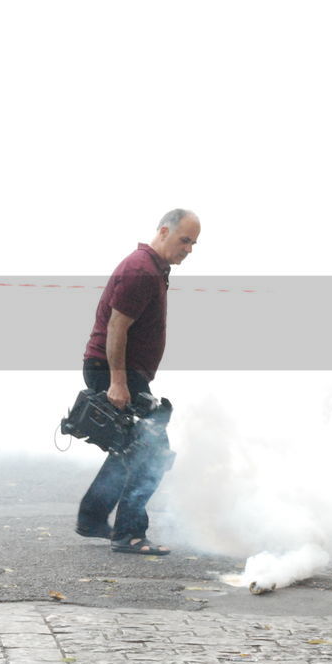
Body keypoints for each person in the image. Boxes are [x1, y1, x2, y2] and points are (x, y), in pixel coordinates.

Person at [75, 208, 200, 554]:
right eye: (184, 240)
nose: (188, 249)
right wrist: (118, 382)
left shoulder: (152, 268)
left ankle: (91, 518)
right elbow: (117, 327)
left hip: (122, 371)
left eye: (193, 243)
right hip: (116, 371)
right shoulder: (142, 271)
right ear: (163, 232)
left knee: (128, 448)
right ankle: (129, 533)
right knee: (153, 451)